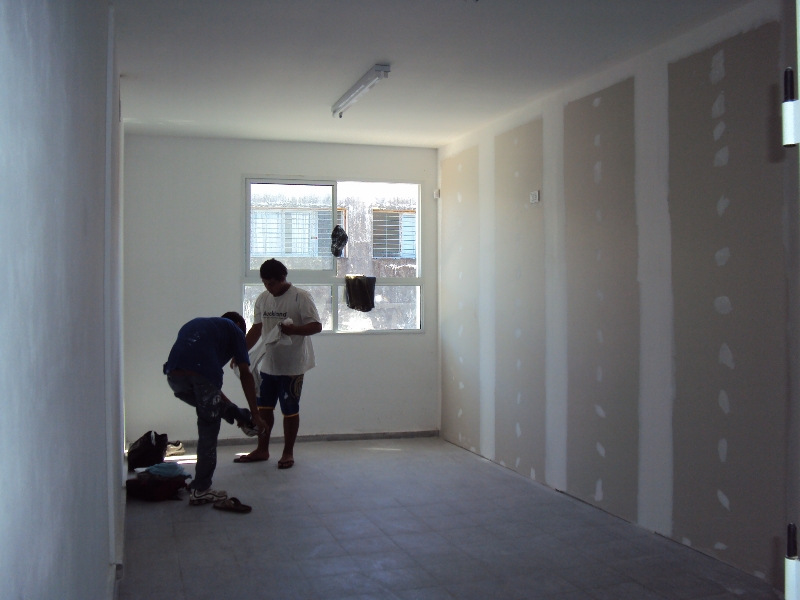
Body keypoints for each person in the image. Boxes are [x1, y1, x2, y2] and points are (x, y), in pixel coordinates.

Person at [163, 312, 266, 505]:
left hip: (174, 377)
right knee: (208, 427)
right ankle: (201, 489)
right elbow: (245, 373)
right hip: (201, 375)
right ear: (238, 324)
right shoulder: (234, 329)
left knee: (213, 407)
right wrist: (255, 414)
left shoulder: (200, 326)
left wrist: (232, 409)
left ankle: (236, 414)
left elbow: (210, 390)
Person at [235, 259, 322, 468]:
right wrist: (239, 353)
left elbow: (316, 326)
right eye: (265, 283)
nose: (268, 288)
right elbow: (257, 329)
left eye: (272, 283)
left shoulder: (300, 297)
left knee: (289, 410)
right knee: (264, 409)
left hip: (293, 366)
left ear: (283, 278)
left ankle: (287, 452)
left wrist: (294, 330)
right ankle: (262, 449)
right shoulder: (263, 299)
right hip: (268, 365)